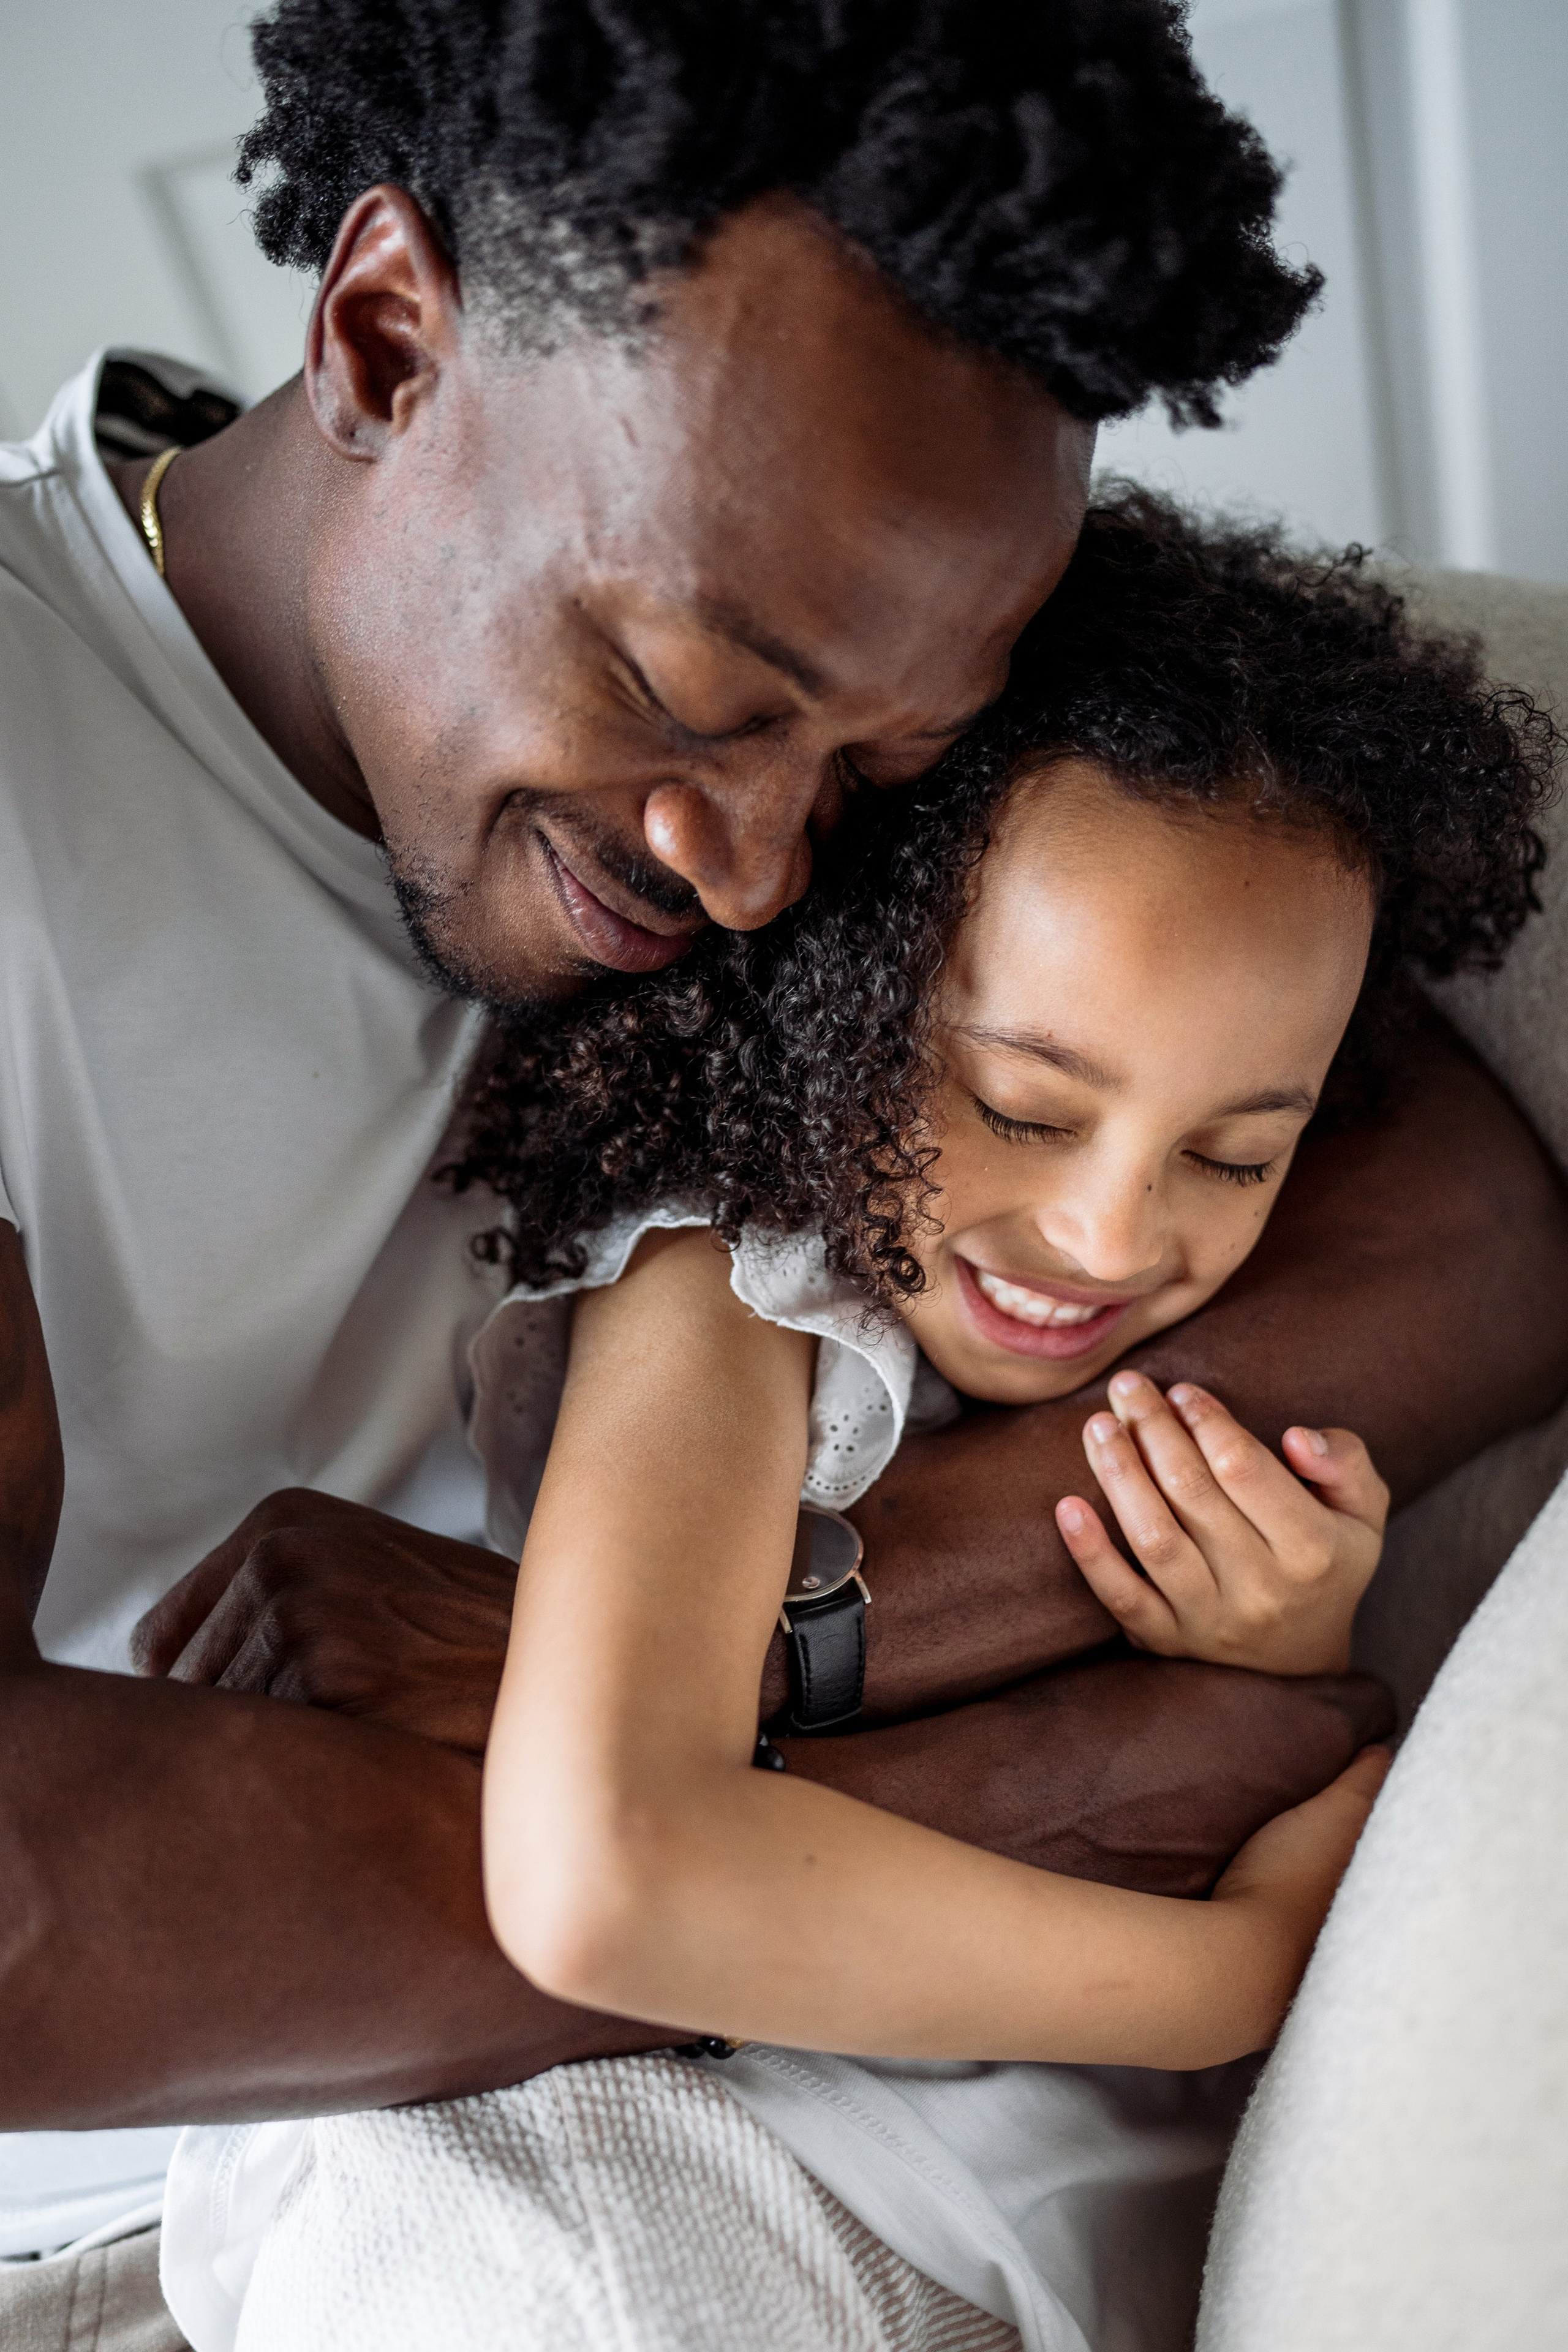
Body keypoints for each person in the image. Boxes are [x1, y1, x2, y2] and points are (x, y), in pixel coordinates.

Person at [3, 2, 1568, 2346]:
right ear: (386, 335)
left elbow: (1444, 1228)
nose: (756, 874)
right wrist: (1072, 1789)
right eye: (679, 696)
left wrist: (769, 1647)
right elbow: (27, 1902)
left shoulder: (853, 597)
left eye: (881, 758)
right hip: (279, 2164)